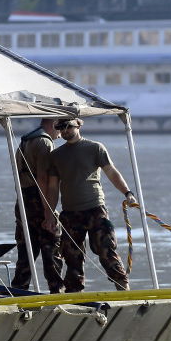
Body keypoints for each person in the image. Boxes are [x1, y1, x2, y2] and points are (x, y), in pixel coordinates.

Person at [43, 118, 135, 291]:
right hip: (70, 213)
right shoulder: (56, 156)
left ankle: (122, 286)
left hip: (95, 208)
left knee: (106, 248)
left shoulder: (94, 148)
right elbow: (53, 187)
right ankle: (74, 294)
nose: (64, 131)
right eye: (60, 127)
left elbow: (111, 172)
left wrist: (128, 193)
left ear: (78, 125)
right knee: (71, 257)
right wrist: (49, 214)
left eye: (68, 126)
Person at [11, 118, 66, 292]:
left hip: (23, 200)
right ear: (54, 123)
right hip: (38, 200)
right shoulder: (44, 142)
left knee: (26, 251)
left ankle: (20, 292)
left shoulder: (24, 142)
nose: (61, 133)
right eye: (60, 126)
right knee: (51, 248)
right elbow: (43, 179)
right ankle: (57, 292)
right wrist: (49, 213)